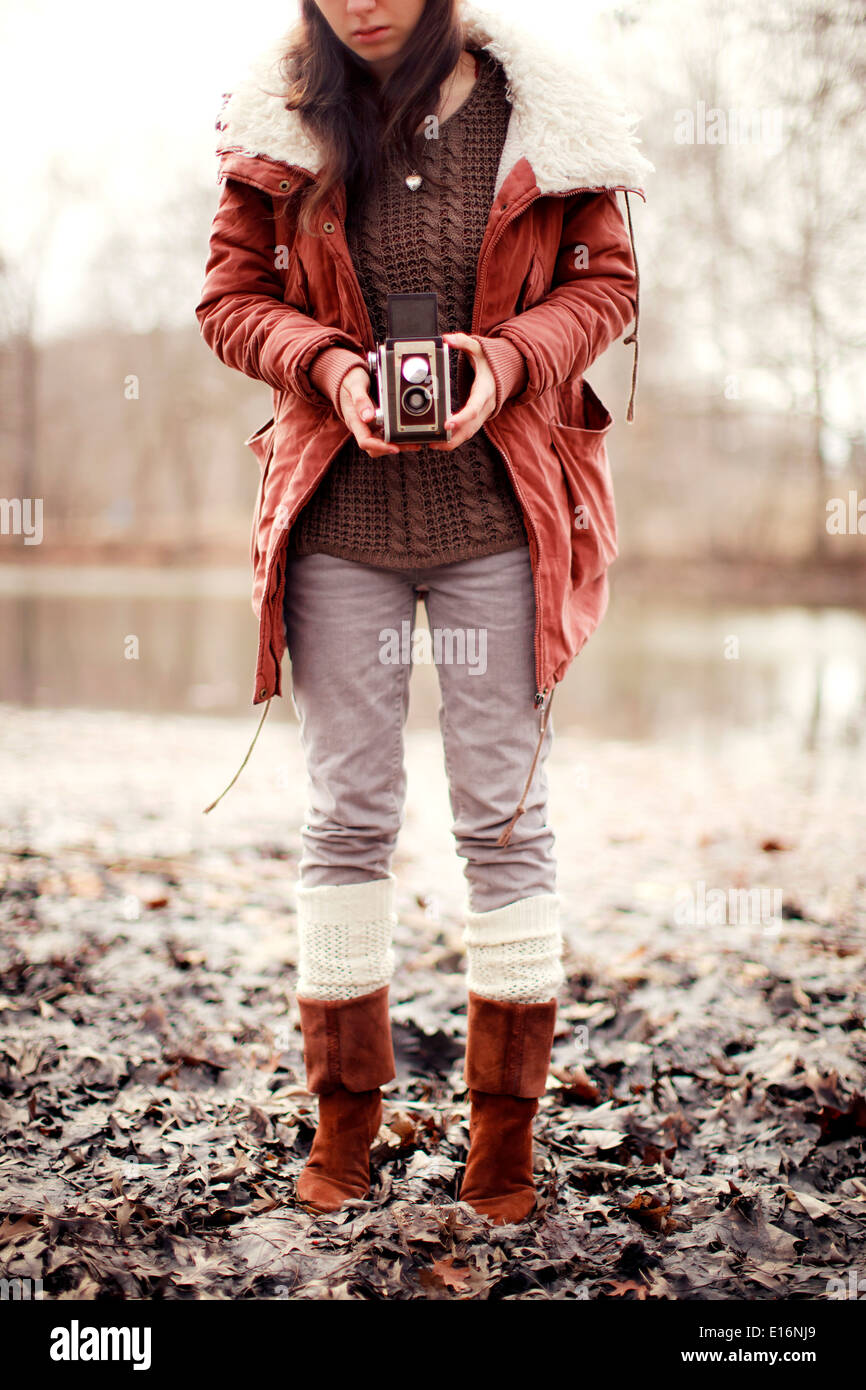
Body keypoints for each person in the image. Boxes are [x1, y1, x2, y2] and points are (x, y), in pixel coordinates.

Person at [195, 0, 652, 1225]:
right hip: (338, 523)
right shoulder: (280, 118)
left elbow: (606, 286)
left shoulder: (545, 117)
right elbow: (227, 298)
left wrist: (500, 364)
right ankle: (343, 1126)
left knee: (503, 821)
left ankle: (501, 1146)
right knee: (346, 816)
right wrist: (328, 367)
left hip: (501, 521)